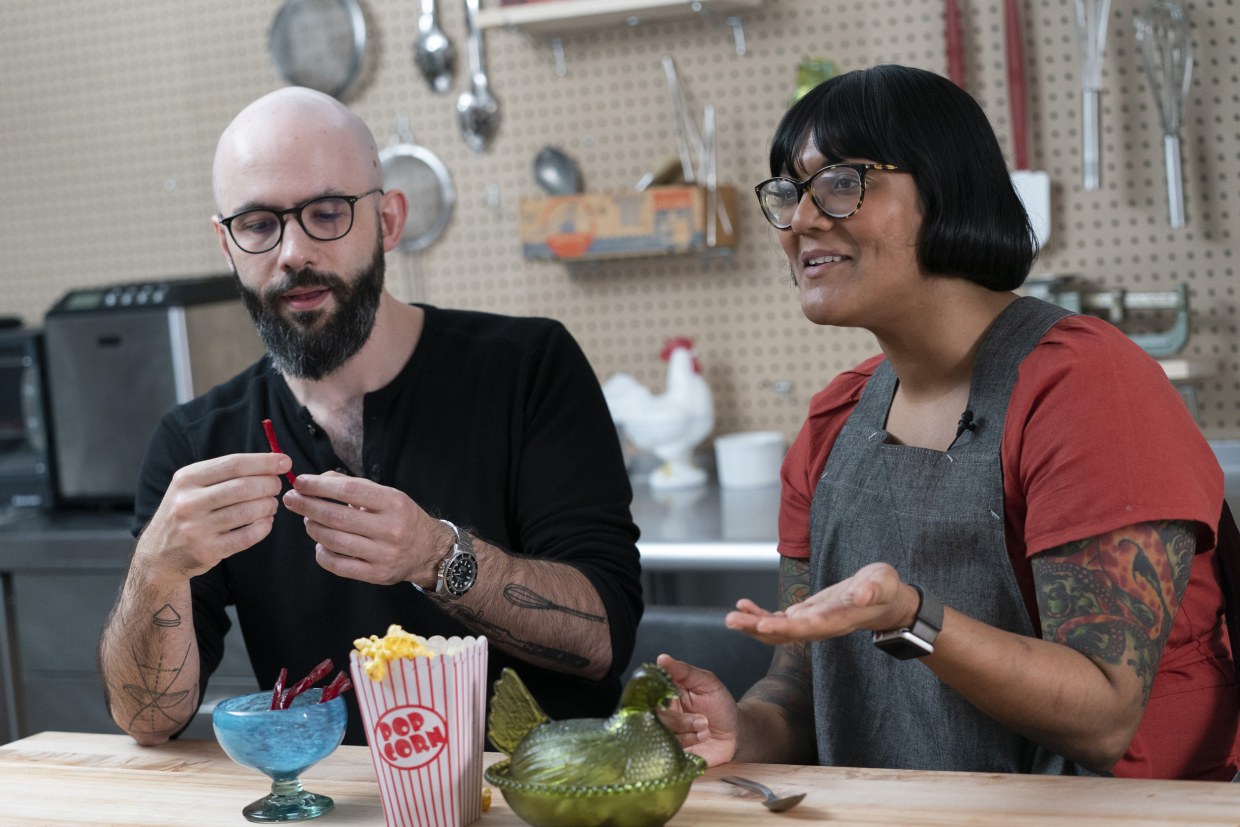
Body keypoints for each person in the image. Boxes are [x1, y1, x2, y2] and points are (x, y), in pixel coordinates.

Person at [657, 64, 1240, 781]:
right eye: (789, 191)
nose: (803, 220)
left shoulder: (1084, 386)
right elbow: (804, 685)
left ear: (943, 188)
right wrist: (742, 729)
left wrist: (906, 613)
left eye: (841, 182)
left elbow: (1103, 713)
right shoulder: (834, 423)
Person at [97, 87, 642, 747]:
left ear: (387, 221)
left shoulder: (528, 368)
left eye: (326, 213)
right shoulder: (196, 444)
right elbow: (148, 719)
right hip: (334, 807)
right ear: (226, 244)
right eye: (260, 224)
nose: (293, 251)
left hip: (545, 795)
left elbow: (601, 640)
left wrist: (437, 554)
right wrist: (156, 567)